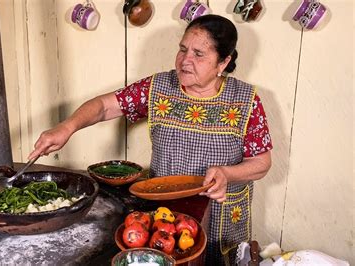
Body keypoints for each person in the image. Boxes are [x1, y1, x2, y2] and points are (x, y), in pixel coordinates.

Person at [28, 14, 272, 265]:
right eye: (182, 49)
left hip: (220, 216)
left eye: (199, 54)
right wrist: (67, 127)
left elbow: (262, 163)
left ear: (223, 62)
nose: (185, 61)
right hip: (163, 215)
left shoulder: (244, 100)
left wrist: (226, 174)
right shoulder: (158, 88)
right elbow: (103, 106)